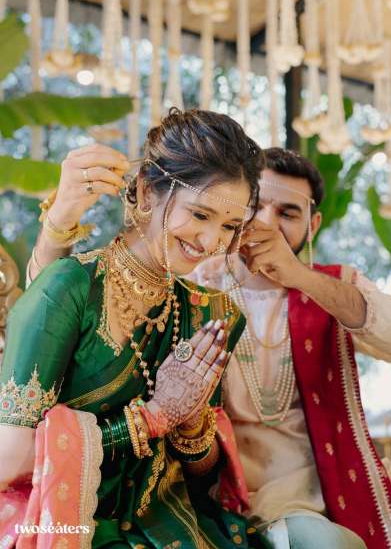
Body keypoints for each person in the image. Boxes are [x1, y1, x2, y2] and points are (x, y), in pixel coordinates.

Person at [28, 145, 391, 549]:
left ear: (312, 227)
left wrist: (299, 276)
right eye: (254, 207)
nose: (266, 223)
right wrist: (59, 223)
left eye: (288, 214)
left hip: (356, 478)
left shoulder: (330, 288)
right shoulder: (194, 286)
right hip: (249, 501)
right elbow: (52, 318)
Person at [0, 108, 271, 548]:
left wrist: (189, 426)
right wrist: (154, 416)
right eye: (200, 215)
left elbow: (203, 480)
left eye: (230, 226)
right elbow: (8, 460)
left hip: (169, 525)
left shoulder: (209, 313)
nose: (211, 242)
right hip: (63, 524)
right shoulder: (69, 287)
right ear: (146, 192)